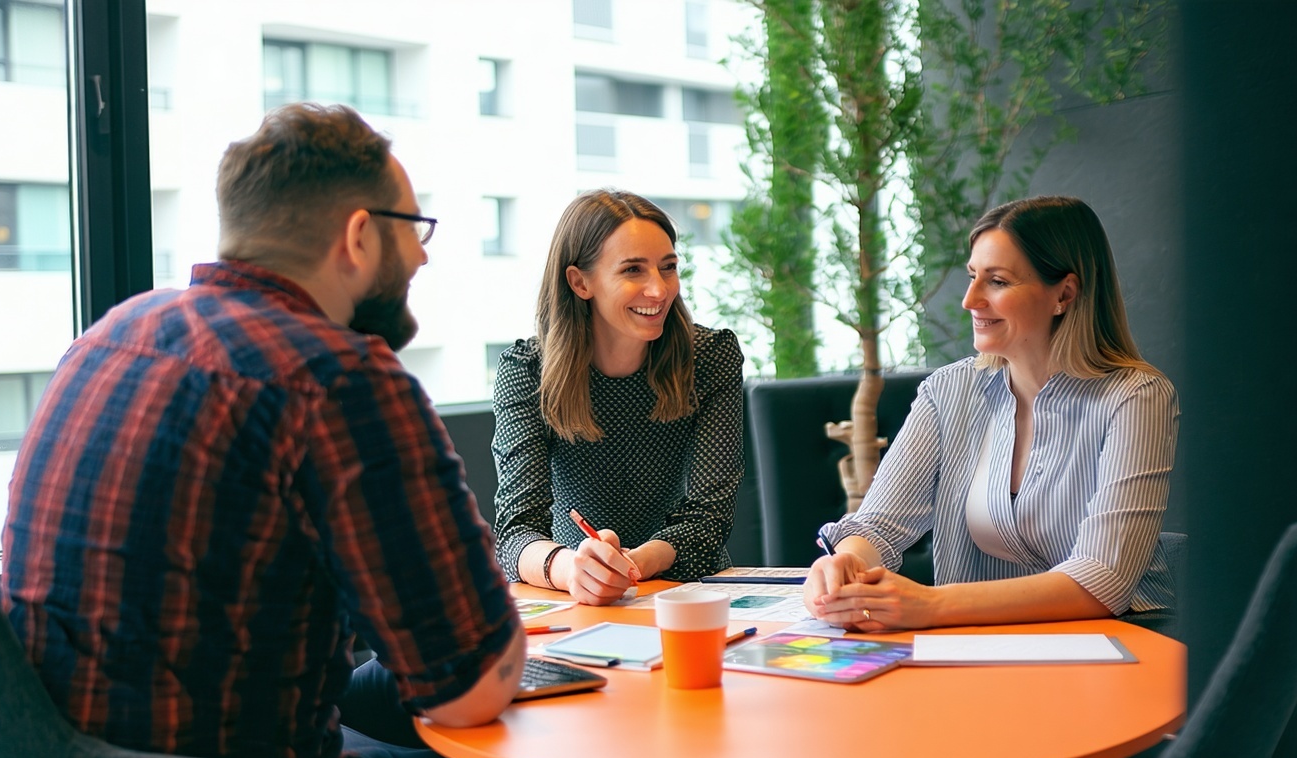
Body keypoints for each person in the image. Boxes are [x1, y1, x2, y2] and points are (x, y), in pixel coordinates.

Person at [0, 103, 526, 758]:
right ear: (359, 236)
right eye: (415, 228)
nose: (422, 253)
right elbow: (468, 691)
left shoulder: (111, 335)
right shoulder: (336, 377)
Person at [804, 195, 1179, 631]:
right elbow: (878, 525)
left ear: (1064, 294)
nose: (969, 300)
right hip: (978, 644)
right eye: (972, 277)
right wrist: (845, 563)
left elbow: (1103, 579)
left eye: (997, 281)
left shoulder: (1137, 396)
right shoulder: (948, 390)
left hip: (1120, 640)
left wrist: (930, 605)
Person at [491, 189, 744, 606]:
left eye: (668, 268)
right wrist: (573, 568)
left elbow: (709, 517)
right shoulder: (526, 370)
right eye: (633, 270)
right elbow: (516, 533)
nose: (659, 290)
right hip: (579, 591)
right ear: (580, 281)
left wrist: (634, 564)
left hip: (685, 588)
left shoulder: (711, 357)